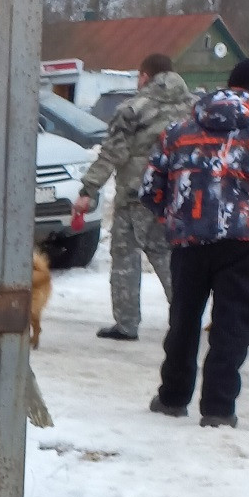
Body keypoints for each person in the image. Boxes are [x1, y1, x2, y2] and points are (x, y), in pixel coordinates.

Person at [140, 54, 249, 424]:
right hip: (246, 243)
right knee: (233, 326)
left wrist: (175, 217)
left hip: (189, 243)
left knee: (183, 320)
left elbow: (151, 188)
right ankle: (218, 409)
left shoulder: (177, 131)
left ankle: (172, 398)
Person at [79, 50, 191, 340]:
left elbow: (113, 152)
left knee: (126, 258)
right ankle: (185, 318)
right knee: (167, 256)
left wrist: (88, 188)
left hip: (135, 194)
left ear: (144, 76)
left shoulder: (133, 109)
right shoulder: (192, 107)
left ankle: (127, 324)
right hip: (178, 194)